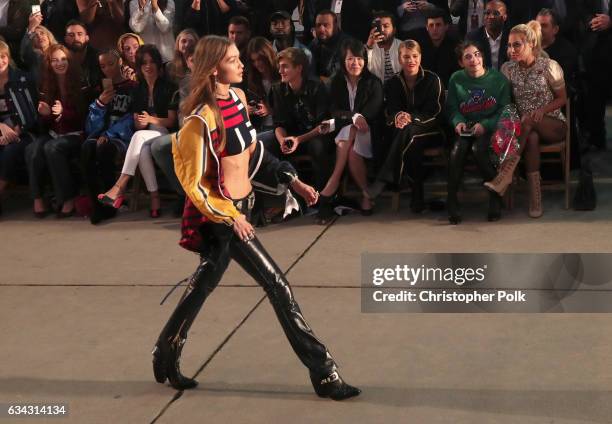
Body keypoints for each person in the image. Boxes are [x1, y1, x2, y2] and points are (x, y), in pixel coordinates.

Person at [151, 35, 360, 401]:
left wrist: (292, 180)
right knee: (278, 286)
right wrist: (231, 218)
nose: (243, 64)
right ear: (216, 67)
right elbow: (195, 186)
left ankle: (167, 348)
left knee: (203, 283)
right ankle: (324, 373)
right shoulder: (200, 120)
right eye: (234, 59)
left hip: (245, 210)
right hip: (226, 218)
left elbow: (252, 153)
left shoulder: (237, 99)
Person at [485, 21, 567, 218]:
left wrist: (542, 110)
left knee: (529, 121)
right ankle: (535, 199)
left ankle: (505, 174)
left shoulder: (549, 65)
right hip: (526, 129)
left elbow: (563, 98)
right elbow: (505, 99)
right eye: (509, 45)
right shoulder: (508, 69)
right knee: (531, 138)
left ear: (530, 44)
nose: (511, 49)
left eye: (517, 45)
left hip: (554, 124)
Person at [97, 44, 178, 217]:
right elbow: (137, 122)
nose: (148, 66)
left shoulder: (168, 87)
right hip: (146, 134)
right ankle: (155, 198)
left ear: (158, 63)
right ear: (139, 66)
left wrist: (151, 120)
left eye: (152, 62)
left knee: (139, 137)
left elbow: (171, 121)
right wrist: (140, 123)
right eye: (144, 63)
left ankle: (120, 186)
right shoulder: (138, 89)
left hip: (165, 133)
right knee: (142, 149)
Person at [368, 40, 444, 213]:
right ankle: (417, 197)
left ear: (420, 58)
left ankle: (384, 177)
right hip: (406, 135)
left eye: (415, 56)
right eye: (406, 57)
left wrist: (412, 117)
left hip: (430, 132)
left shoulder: (433, 79)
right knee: (411, 141)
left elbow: (436, 113)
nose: (411, 60)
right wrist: (398, 116)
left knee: (409, 131)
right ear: (399, 59)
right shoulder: (392, 82)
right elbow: (390, 110)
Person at [317, 38, 383, 223]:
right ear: (343, 61)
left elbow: (373, 111)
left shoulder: (373, 82)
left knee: (351, 132)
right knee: (352, 150)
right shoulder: (336, 82)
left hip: (370, 132)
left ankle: (333, 183)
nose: (355, 63)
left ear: (365, 60)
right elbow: (333, 110)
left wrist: (355, 119)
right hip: (344, 133)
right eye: (350, 59)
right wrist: (352, 117)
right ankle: (366, 195)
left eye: (359, 59)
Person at [446, 41, 510, 224]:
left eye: (477, 54)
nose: (474, 59)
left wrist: (486, 125)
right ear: (461, 62)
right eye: (468, 57)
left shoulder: (499, 80)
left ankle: (495, 196)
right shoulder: (456, 79)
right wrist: (458, 122)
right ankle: (452, 200)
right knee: (457, 151)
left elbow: (505, 110)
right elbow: (452, 108)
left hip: (491, 127)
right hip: (466, 127)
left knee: (479, 150)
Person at [82, 49, 138, 224]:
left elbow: (132, 119)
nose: (107, 69)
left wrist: (108, 134)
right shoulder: (99, 89)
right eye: (103, 66)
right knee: (87, 148)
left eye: (111, 64)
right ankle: (96, 204)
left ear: (120, 62)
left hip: (122, 137)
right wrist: (100, 104)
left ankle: (110, 201)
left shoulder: (133, 88)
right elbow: (90, 126)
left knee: (105, 150)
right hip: (100, 135)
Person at [31, 44, 87, 217]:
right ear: (49, 64)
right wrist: (47, 115)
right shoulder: (46, 85)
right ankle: (38, 198)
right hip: (54, 134)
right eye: (54, 60)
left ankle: (68, 199)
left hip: (76, 134)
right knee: (32, 149)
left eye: (63, 59)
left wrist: (64, 113)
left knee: (52, 148)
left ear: (69, 61)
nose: (59, 63)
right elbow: (43, 124)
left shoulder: (80, 84)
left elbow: (83, 117)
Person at [269, 47, 333, 193]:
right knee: (270, 146)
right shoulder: (277, 89)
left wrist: (298, 140)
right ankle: (288, 200)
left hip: (315, 134)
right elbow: (279, 123)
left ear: (298, 68)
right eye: (279, 67)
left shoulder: (316, 87)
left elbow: (323, 125)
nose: (280, 71)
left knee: (317, 147)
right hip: (291, 136)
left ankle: (323, 198)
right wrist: (283, 141)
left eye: (285, 67)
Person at [0, 41, 38, 217]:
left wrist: (15, 131)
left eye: (3, 56)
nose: (0, 61)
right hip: (2, 132)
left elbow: (31, 111)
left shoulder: (22, 78)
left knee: (9, 151)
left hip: (23, 131)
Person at [245, 36, 278, 140]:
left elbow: (291, 109)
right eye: (253, 61)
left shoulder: (281, 76)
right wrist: (247, 109)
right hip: (258, 127)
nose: (257, 64)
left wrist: (270, 110)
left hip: (278, 128)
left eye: (260, 59)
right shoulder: (250, 79)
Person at [420, 7, 460, 87]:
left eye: (438, 25)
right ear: (427, 28)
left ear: (446, 27)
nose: (434, 29)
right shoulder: (420, 47)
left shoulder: (456, 47)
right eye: (431, 25)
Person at [63, 20, 102, 101]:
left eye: (80, 34)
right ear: (66, 39)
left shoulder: (99, 57)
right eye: (71, 35)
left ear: (87, 38)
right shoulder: (61, 58)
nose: (76, 38)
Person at [308, 9, 350, 83]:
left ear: (336, 25)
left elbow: (334, 79)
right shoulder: (315, 42)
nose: (321, 29)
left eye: (325, 25)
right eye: (318, 25)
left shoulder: (347, 45)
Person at [466, 0, 509, 70]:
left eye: (496, 13)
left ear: (504, 17)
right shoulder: (473, 37)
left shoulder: (511, 36)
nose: (491, 16)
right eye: (487, 13)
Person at [20, 14, 58, 83]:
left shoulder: (60, 52)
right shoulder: (33, 56)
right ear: (32, 42)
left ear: (49, 37)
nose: (39, 37)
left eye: (42, 33)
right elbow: (24, 50)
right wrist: (31, 28)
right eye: (35, 35)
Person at [366, 11, 402, 83]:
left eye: (386, 26)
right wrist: (369, 47)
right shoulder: (367, 47)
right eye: (378, 27)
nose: (382, 30)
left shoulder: (402, 46)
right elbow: (363, 72)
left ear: (394, 30)